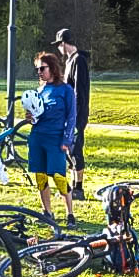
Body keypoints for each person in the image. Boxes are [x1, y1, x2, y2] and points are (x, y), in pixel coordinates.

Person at [26, 52, 78, 227]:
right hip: (37, 137)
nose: (39, 72)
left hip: (56, 139)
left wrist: (67, 141)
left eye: (43, 68)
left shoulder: (66, 90)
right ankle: (47, 212)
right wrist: (30, 117)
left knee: (59, 176)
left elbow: (72, 117)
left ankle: (70, 213)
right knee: (40, 176)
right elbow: (36, 116)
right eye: (37, 69)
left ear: (53, 68)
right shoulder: (39, 91)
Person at [54, 29, 92, 201]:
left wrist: (73, 114)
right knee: (69, 149)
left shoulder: (79, 61)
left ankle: (79, 188)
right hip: (69, 113)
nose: (58, 49)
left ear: (63, 43)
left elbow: (79, 91)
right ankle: (71, 185)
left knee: (76, 148)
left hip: (76, 114)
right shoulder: (70, 61)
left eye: (58, 45)